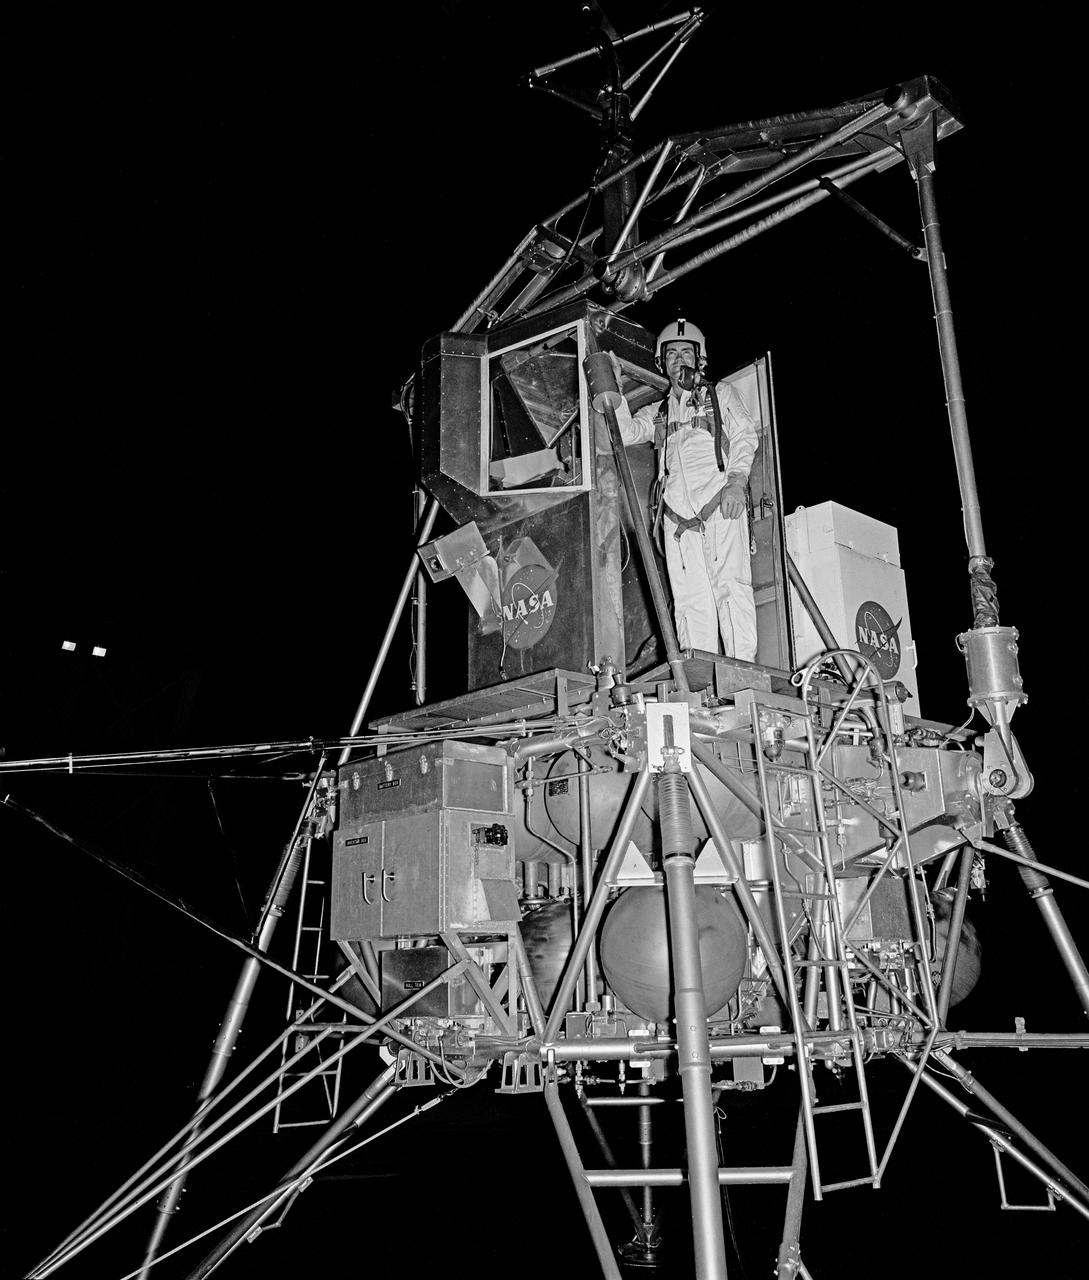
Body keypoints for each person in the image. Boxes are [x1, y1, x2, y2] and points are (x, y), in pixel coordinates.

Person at [613, 318, 760, 661]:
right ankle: (700, 682)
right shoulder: (659, 412)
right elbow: (625, 432)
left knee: (731, 589)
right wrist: (614, 385)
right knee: (690, 602)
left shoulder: (720, 394)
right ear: (662, 362)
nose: (679, 359)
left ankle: (740, 672)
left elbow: (744, 437)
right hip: (677, 521)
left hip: (720, 505)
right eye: (672, 353)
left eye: (686, 352)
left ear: (700, 359)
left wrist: (737, 482)